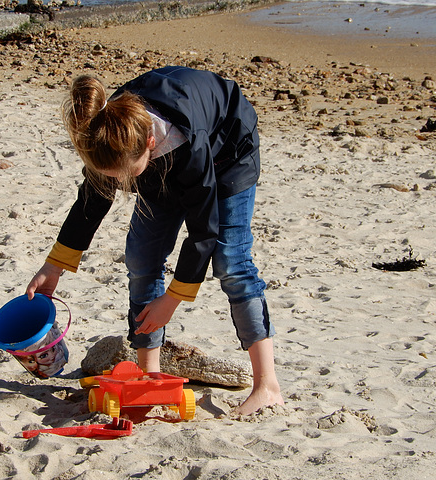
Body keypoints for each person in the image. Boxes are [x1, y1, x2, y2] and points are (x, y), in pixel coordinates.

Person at [26, 66, 283, 414]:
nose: (119, 183)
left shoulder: (188, 148)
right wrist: (54, 266)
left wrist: (173, 298)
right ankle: (149, 376)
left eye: (124, 176)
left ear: (150, 143)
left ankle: (267, 385)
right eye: (111, 177)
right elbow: (92, 201)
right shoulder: (108, 133)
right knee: (142, 258)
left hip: (227, 152)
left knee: (230, 262)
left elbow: (203, 230)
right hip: (155, 161)